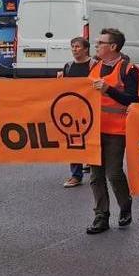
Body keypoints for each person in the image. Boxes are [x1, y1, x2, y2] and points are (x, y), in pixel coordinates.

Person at [86, 28, 139, 234]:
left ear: (113, 47)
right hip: (93, 129)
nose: (96, 45)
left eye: (101, 42)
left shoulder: (128, 69)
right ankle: (101, 216)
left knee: (113, 173)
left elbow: (134, 99)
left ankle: (125, 205)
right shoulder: (94, 67)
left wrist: (109, 90)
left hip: (117, 129)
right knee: (95, 175)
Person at [58, 36, 92, 188]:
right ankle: (76, 175)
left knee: (92, 140)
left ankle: (93, 163)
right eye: (72, 47)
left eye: (77, 47)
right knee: (74, 141)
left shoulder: (94, 65)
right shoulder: (68, 66)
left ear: (85, 49)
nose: (74, 49)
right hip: (73, 109)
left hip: (91, 108)